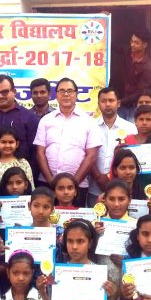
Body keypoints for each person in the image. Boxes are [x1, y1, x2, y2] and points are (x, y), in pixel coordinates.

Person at [37, 219, 117, 300]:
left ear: (90, 243)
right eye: (70, 241)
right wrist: (43, 293)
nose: (74, 247)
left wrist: (110, 297)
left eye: (80, 241)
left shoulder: (100, 274)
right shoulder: (58, 274)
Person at [34, 77, 102, 206]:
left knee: (75, 223)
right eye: (62, 91)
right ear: (56, 95)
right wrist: (51, 181)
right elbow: (40, 153)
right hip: (47, 183)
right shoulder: (46, 120)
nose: (66, 94)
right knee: (46, 222)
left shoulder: (88, 121)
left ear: (76, 94)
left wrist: (73, 184)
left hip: (78, 185)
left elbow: (91, 155)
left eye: (70, 91)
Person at [89, 87, 137, 206]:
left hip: (121, 190)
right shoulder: (90, 126)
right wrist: (98, 177)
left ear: (118, 103)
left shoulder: (130, 128)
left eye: (111, 100)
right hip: (94, 187)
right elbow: (86, 154)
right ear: (98, 104)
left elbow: (133, 159)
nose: (107, 104)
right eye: (103, 101)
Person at [120, 30, 151, 121]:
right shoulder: (127, 53)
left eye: (136, 43)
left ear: (144, 45)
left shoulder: (148, 68)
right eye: (131, 41)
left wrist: (121, 101)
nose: (132, 44)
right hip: (119, 104)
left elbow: (140, 92)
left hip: (134, 107)